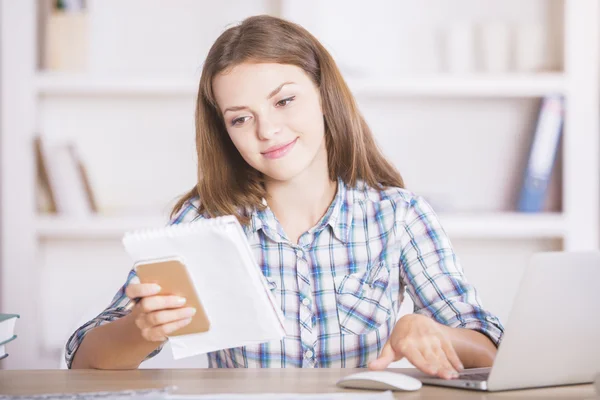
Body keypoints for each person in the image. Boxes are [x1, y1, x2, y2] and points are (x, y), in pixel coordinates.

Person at [66, 14, 503, 379]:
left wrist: (429, 331)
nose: (267, 130)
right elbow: (84, 361)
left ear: (324, 97)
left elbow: (490, 348)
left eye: (284, 101)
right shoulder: (202, 222)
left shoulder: (398, 216)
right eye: (240, 119)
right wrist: (144, 330)